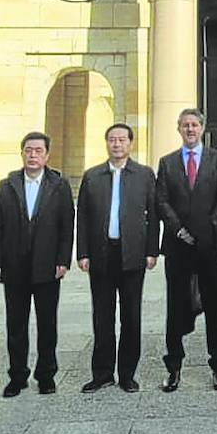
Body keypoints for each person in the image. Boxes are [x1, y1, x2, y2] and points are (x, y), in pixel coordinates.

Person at [0, 132, 75, 397]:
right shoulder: (7, 184)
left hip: (47, 266)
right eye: (28, 150)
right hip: (14, 266)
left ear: (47, 155)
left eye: (38, 151)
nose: (33, 155)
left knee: (47, 324)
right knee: (16, 324)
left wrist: (63, 260)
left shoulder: (59, 185)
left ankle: (46, 375)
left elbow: (66, 227)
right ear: (22, 153)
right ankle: (17, 376)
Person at [155, 108, 217, 392]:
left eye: (194, 125)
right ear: (179, 129)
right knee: (175, 308)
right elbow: (161, 200)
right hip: (177, 247)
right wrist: (179, 229)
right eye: (185, 125)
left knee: (214, 309)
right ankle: (174, 368)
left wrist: (207, 229)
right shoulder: (167, 163)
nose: (190, 129)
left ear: (203, 128)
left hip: (209, 246)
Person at [78, 124, 159, 394]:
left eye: (122, 140)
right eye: (112, 139)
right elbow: (83, 218)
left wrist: (151, 251)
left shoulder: (144, 175)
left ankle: (127, 374)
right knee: (102, 317)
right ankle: (101, 374)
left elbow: (154, 215)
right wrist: (83, 253)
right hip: (101, 254)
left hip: (132, 255)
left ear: (130, 144)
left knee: (131, 316)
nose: (117, 144)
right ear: (106, 143)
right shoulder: (92, 176)